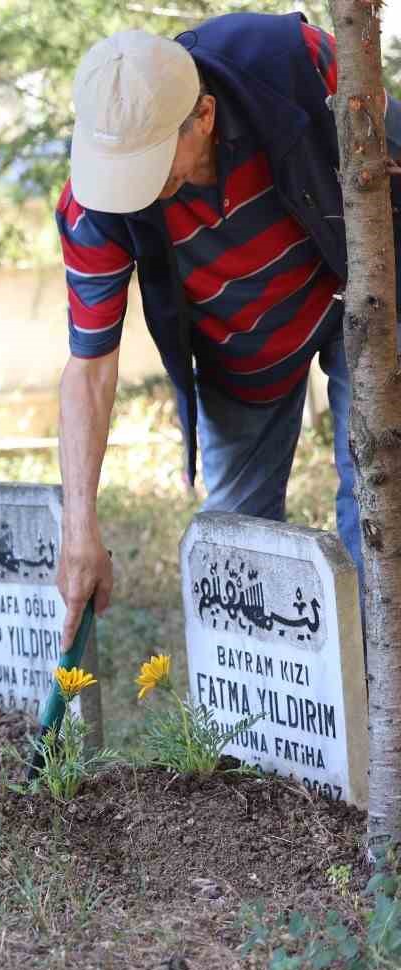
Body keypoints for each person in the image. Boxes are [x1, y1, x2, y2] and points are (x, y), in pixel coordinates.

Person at [54, 12, 401, 643]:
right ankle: (267, 726)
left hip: (363, 298)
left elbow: (384, 139)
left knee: (378, 498)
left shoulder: (287, 58)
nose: (137, 188)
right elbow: (90, 367)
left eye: (153, 163)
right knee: (238, 552)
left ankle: (378, 689)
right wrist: (80, 526)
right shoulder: (92, 205)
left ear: (204, 117)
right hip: (242, 351)